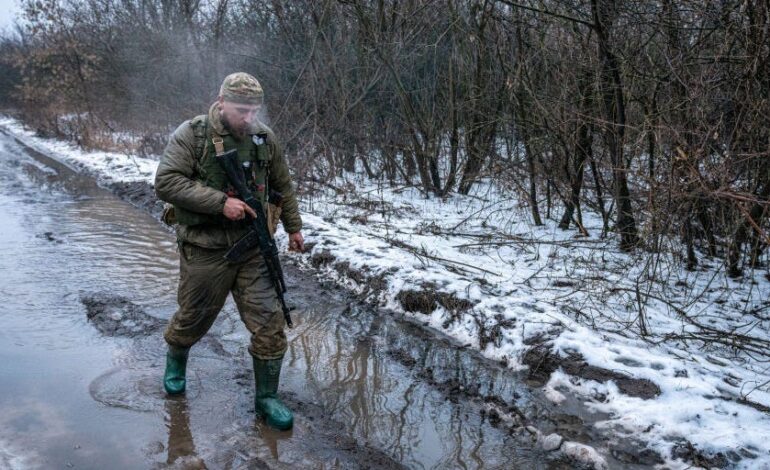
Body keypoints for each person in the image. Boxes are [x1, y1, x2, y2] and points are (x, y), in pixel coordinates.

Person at [154, 72, 304, 431]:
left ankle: (266, 397)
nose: (248, 118)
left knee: (270, 323)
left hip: (254, 247)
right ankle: (176, 363)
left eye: (254, 110)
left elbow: (283, 182)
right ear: (221, 103)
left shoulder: (264, 137)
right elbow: (166, 182)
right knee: (193, 318)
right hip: (206, 249)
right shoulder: (192, 135)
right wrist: (221, 203)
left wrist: (294, 227)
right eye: (241, 110)